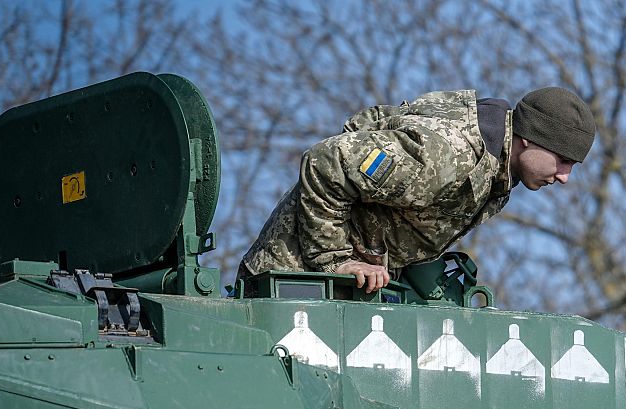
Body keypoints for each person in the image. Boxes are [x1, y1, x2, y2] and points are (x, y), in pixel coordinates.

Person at [237, 86, 595, 291]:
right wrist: (336, 261)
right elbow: (326, 162)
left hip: (333, 292)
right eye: (563, 160)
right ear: (531, 139)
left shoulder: (496, 170)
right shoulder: (447, 156)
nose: (564, 177)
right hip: (288, 280)